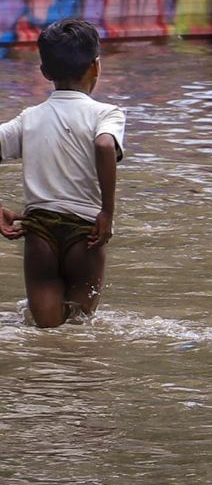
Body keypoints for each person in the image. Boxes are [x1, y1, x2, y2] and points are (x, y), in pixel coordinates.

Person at [0, 19, 125, 328]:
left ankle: (46, 376)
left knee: (45, 331)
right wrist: (107, 212)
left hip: (39, 231)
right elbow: (105, 145)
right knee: (78, 330)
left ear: (45, 72)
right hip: (86, 233)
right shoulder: (106, 113)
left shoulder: (29, 119)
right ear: (96, 66)